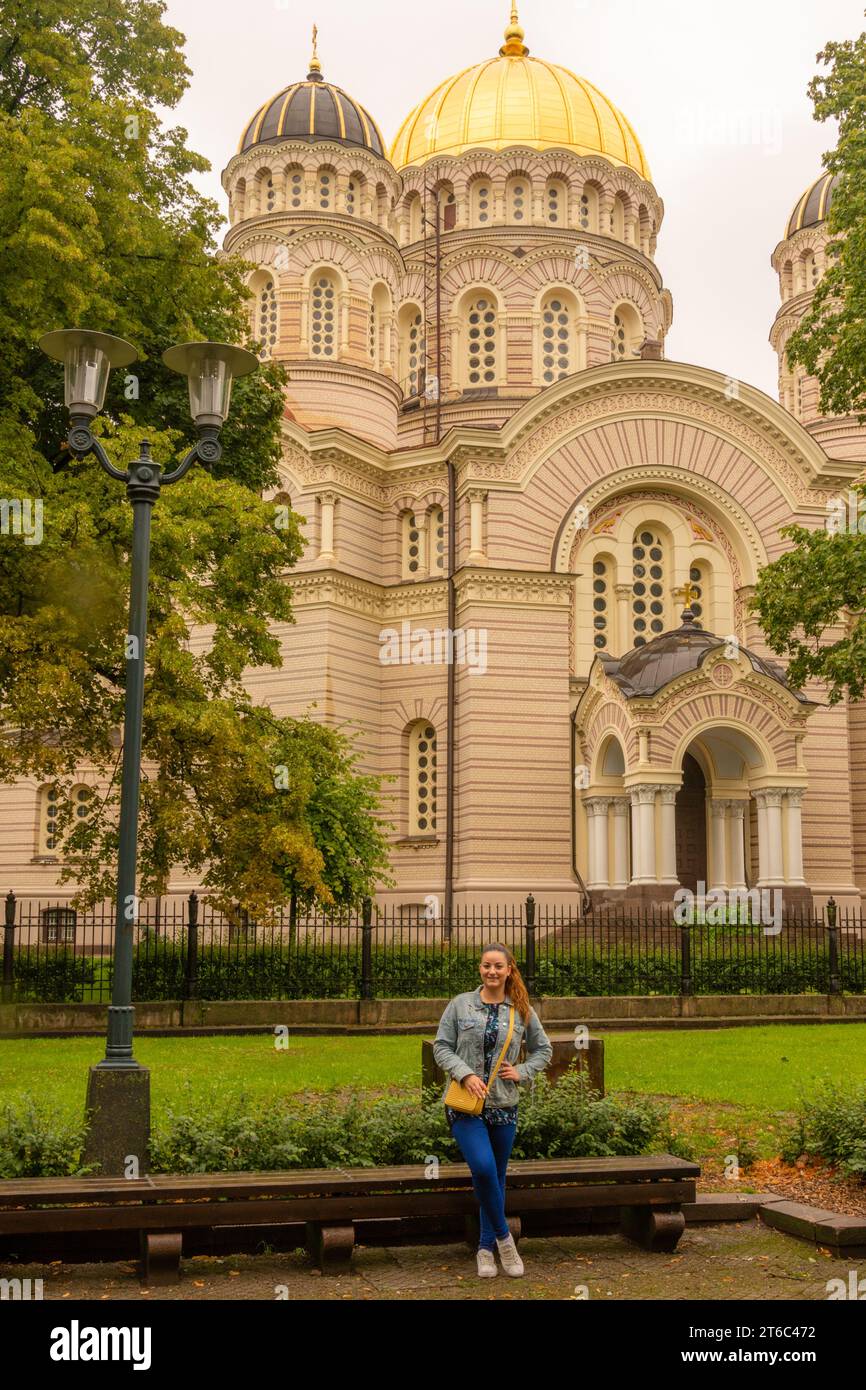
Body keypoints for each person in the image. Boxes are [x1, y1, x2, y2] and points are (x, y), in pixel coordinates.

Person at [433, 942, 552, 1278]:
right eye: (486, 965)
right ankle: (504, 1239)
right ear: (480, 969)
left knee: (495, 1178)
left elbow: (543, 1049)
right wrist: (465, 1073)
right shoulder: (460, 1005)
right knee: (484, 1169)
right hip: (465, 1106)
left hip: (503, 1105)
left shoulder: (521, 1009)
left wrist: (523, 1072)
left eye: (498, 966)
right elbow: (441, 1047)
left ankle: (485, 1250)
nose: (492, 972)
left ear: (509, 969)